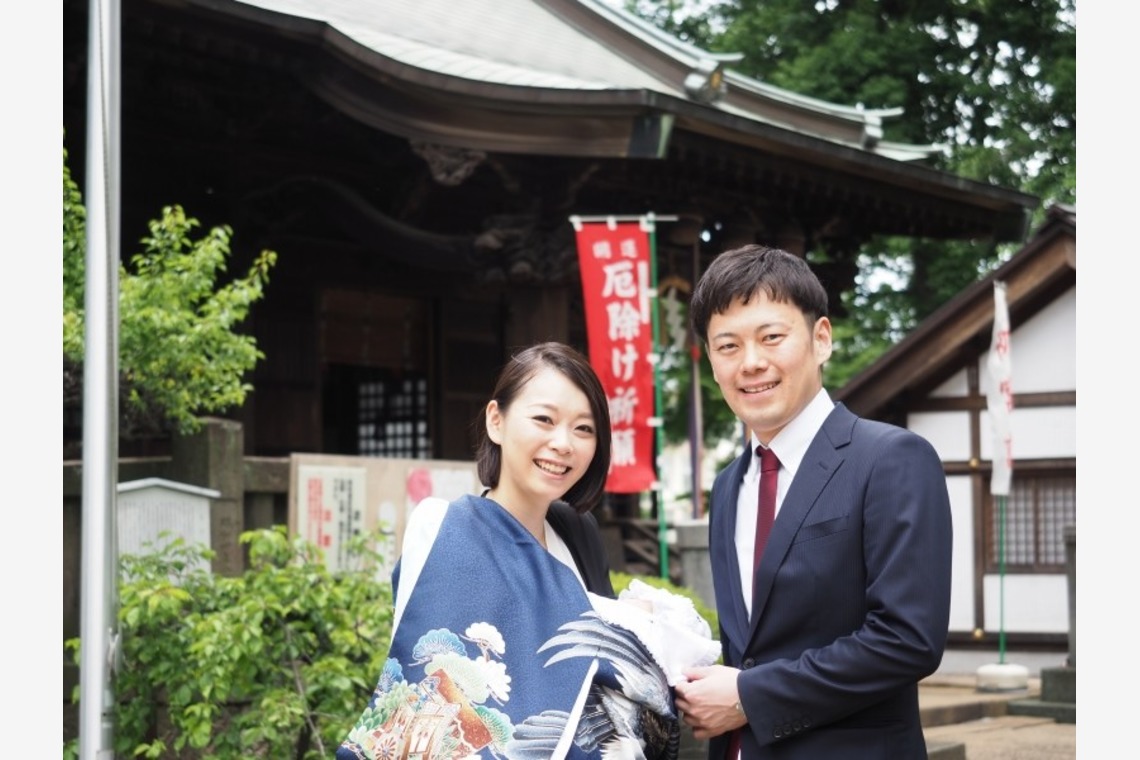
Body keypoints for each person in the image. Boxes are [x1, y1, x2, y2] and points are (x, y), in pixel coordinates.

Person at [337, 341, 718, 760]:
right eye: (544, 419)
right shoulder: (447, 531)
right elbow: (422, 676)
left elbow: (597, 680)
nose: (563, 443)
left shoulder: (578, 533)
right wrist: (628, 620)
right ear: (496, 421)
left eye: (584, 429)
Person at [672, 245, 953, 759]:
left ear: (821, 339)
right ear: (710, 361)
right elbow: (751, 648)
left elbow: (907, 638)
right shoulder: (729, 486)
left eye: (772, 337)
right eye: (728, 346)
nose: (751, 363)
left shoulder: (890, 459)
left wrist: (747, 696)